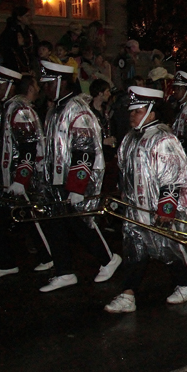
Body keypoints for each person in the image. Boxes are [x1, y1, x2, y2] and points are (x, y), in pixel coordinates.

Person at [104, 86, 187, 313]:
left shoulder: (163, 139)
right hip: (136, 207)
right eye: (131, 111)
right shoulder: (130, 138)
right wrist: (121, 195)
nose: (132, 115)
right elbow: (124, 170)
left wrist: (166, 209)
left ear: (151, 112)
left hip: (158, 208)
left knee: (170, 247)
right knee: (135, 249)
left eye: (137, 111)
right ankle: (128, 294)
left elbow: (173, 177)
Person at [36, 60, 121, 292]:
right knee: (56, 224)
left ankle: (108, 259)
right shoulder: (55, 109)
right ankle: (64, 271)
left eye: (49, 83)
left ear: (61, 83)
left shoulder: (77, 110)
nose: (44, 88)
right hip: (56, 178)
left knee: (81, 223)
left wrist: (77, 186)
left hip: (71, 180)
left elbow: (85, 150)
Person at [0, 67, 53, 278]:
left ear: (9, 86)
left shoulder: (20, 110)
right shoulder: (5, 109)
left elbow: (29, 148)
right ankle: (7, 263)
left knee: (32, 220)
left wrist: (21, 179)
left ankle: (50, 257)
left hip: (21, 179)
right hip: (6, 178)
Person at [0, 6, 38, 74]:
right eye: (27, 16)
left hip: (29, 67)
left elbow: (34, 48)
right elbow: (6, 51)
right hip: (15, 68)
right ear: (19, 17)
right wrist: (17, 44)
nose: (30, 18)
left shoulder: (30, 33)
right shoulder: (9, 33)